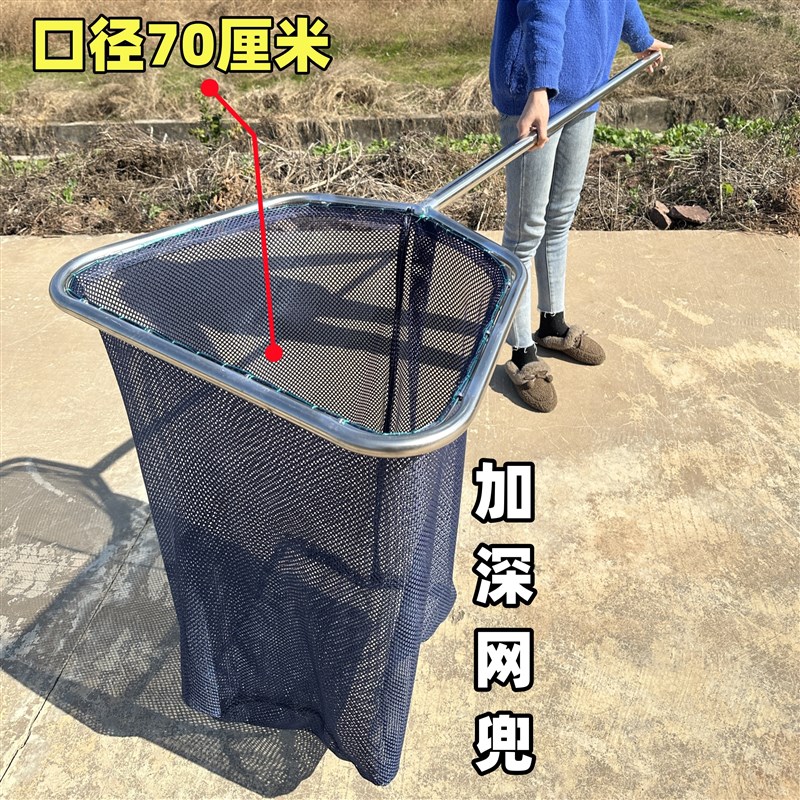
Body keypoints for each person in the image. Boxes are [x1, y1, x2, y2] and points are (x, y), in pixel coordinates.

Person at [489, 0, 671, 412]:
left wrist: (640, 37)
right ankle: (520, 352)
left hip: (585, 90)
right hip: (537, 97)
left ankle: (552, 324)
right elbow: (543, 10)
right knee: (525, 230)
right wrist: (540, 89)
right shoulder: (538, 91)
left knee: (559, 217)